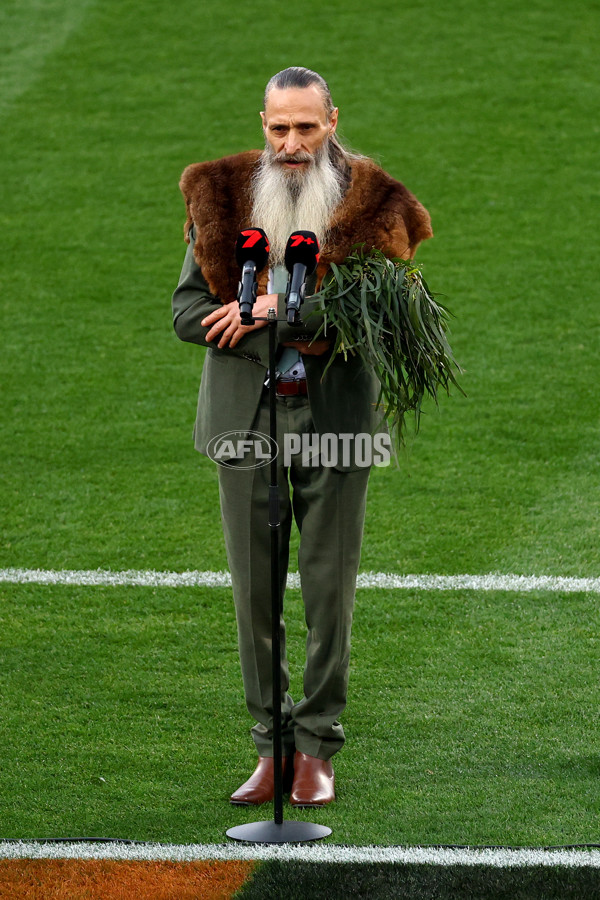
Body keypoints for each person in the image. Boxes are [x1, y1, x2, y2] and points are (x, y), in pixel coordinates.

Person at [172, 67, 432, 807]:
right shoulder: (221, 198)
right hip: (244, 423)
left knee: (327, 588)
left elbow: (378, 311)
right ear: (263, 123)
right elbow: (187, 311)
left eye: (306, 128)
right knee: (254, 592)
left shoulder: (373, 203)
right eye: (279, 127)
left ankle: (316, 746)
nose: (291, 143)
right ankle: (269, 746)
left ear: (332, 121)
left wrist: (271, 313)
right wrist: (240, 309)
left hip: (335, 423)